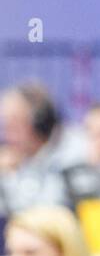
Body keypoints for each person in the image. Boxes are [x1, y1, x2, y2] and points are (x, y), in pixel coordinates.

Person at [0, 85, 70, 215]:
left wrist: (10, 176)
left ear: (40, 123)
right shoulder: (9, 161)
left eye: (14, 122)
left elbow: (44, 216)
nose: (7, 133)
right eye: (5, 124)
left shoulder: (66, 160)